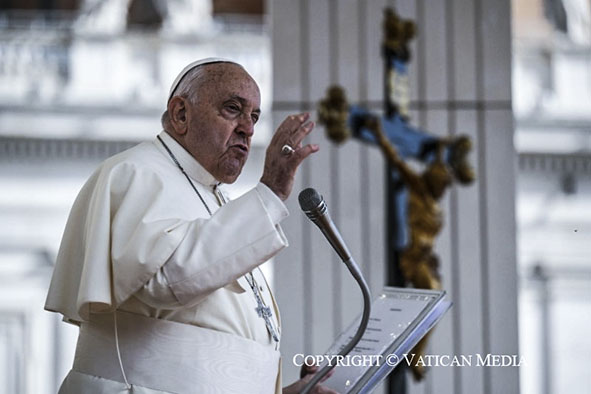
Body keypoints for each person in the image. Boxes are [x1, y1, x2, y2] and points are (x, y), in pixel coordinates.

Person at [45, 58, 337, 394]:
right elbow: (165, 280)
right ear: (181, 114)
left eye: (254, 117)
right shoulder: (137, 172)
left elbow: (200, 367)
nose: (248, 128)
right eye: (232, 109)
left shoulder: (212, 196)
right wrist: (268, 193)